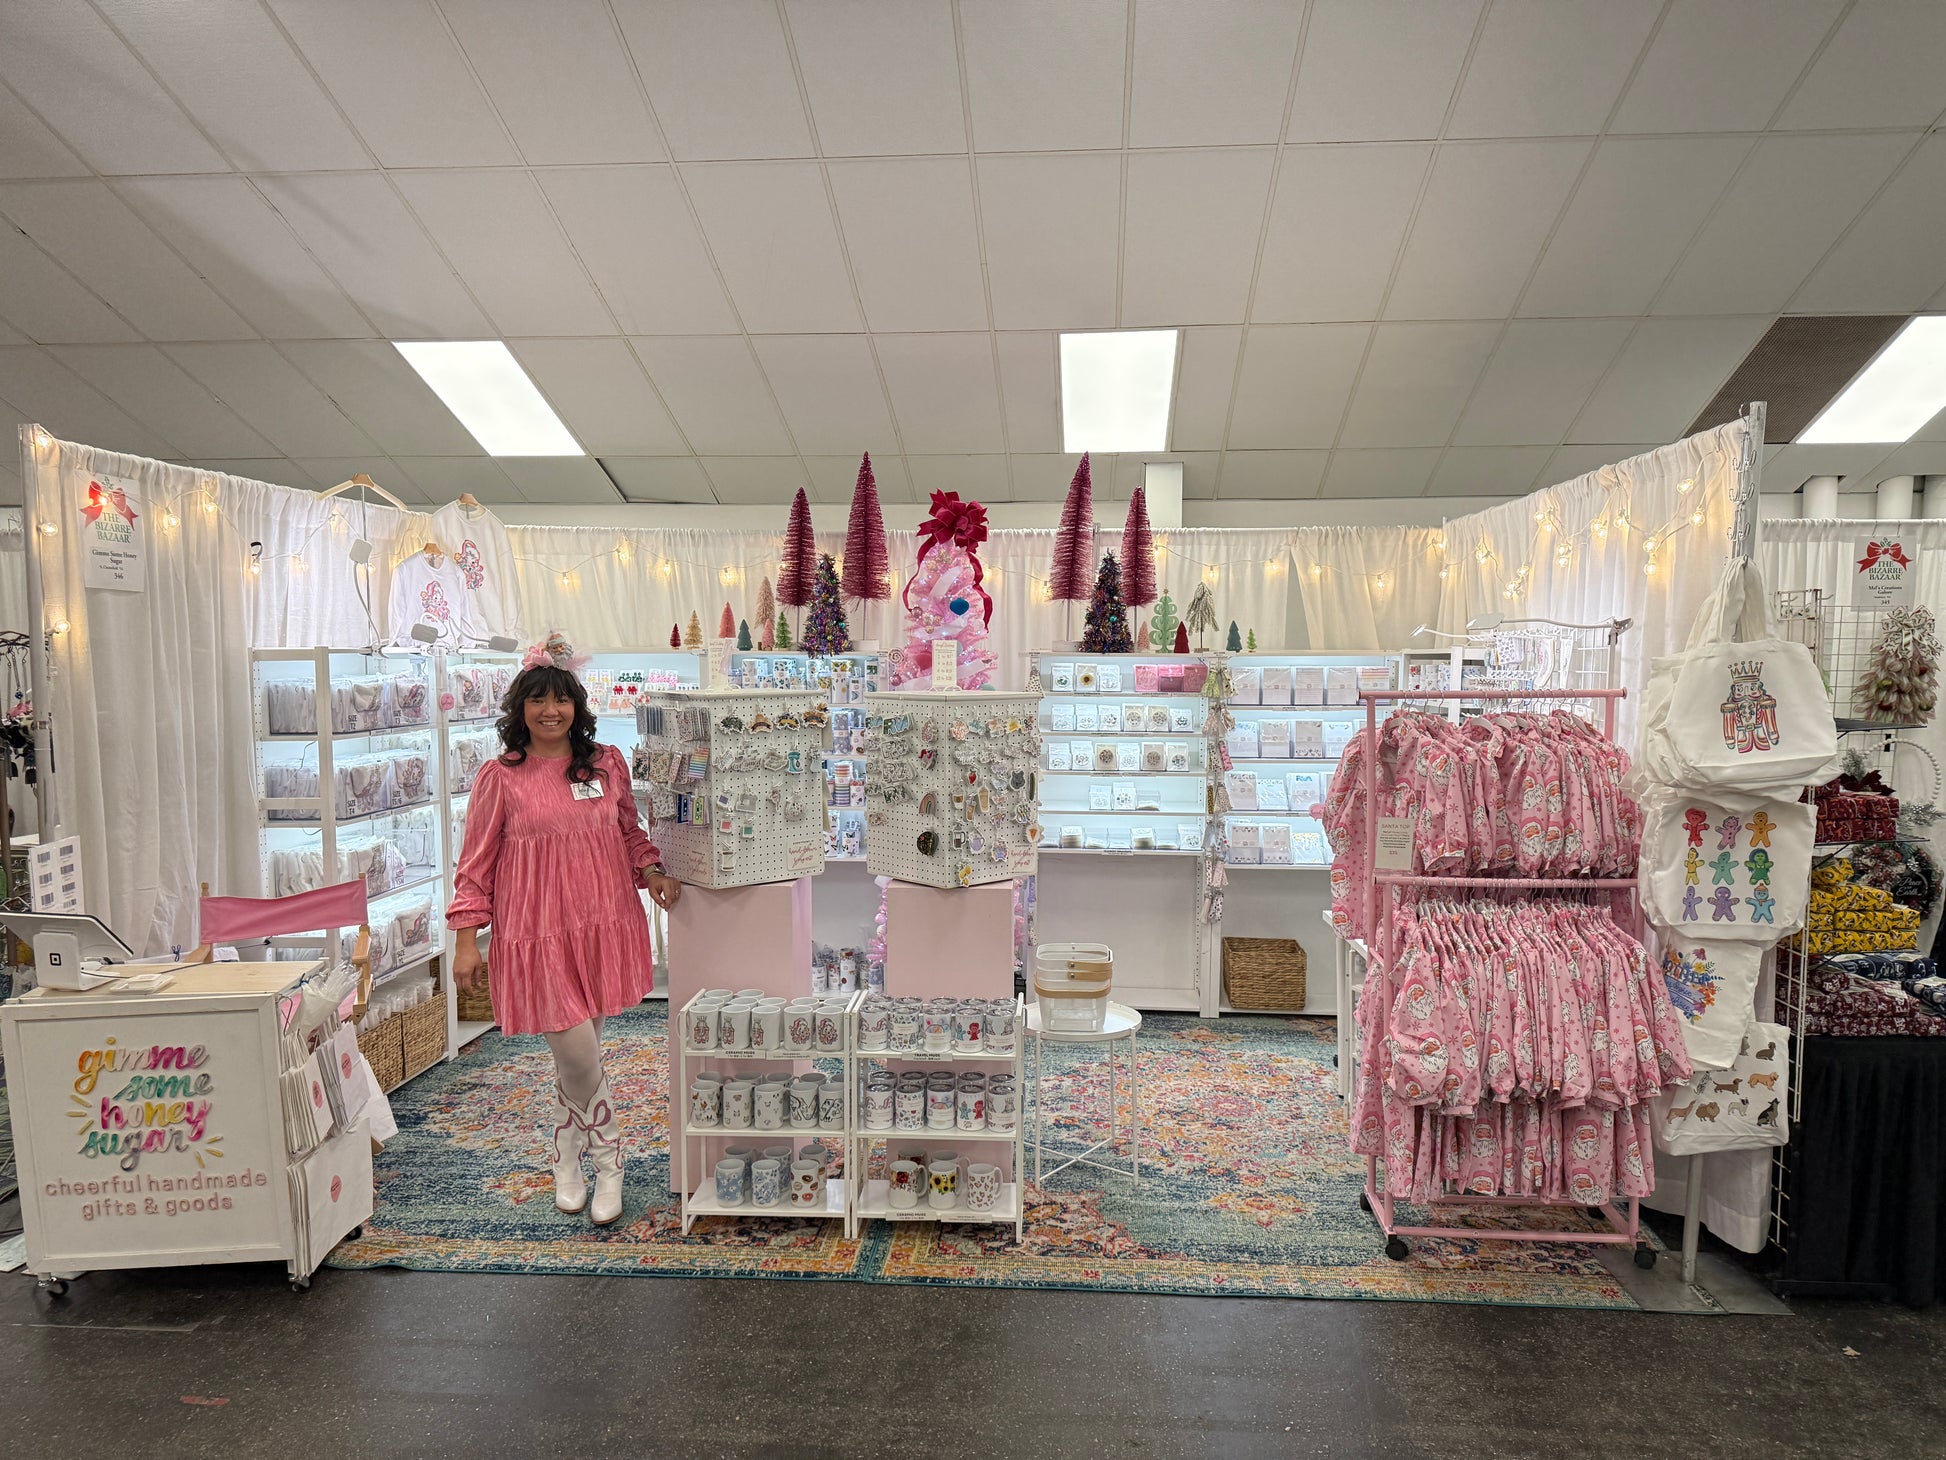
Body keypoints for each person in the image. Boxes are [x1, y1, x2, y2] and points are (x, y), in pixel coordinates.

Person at [447, 631, 681, 1225]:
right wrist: (467, 939)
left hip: (602, 920)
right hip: (536, 932)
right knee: (579, 1057)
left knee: (578, 1061)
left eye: (561, 699)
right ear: (519, 708)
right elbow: (475, 863)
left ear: (577, 705)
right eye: (537, 700)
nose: (550, 711)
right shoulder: (500, 777)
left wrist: (651, 869)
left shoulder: (604, 763)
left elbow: (627, 830)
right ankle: (610, 1160)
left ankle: (565, 1157)